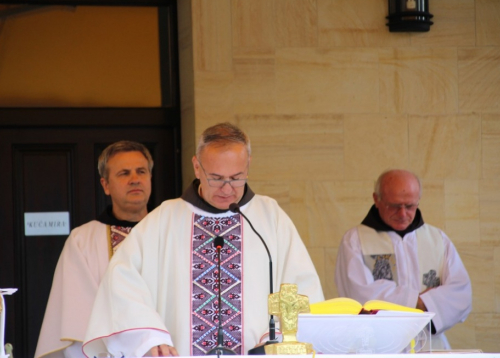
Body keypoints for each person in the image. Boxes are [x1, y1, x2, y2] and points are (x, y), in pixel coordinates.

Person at [82, 122, 324, 357]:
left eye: (237, 177)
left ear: (248, 165)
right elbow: (123, 282)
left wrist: (279, 335)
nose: (227, 188)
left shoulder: (270, 218)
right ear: (197, 167)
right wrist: (149, 337)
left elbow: (301, 288)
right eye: (216, 178)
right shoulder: (163, 220)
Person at [35, 140, 153, 358]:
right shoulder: (83, 240)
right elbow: (78, 311)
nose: (135, 179)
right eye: (124, 173)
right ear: (106, 185)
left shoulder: (170, 231)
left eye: (141, 171)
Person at [335, 169, 472, 350]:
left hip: (430, 346)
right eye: (394, 206)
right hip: (378, 347)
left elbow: (460, 294)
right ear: (377, 199)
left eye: (410, 206)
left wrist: (418, 302)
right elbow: (360, 294)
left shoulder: (437, 239)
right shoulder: (356, 240)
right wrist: (418, 301)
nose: (402, 214)